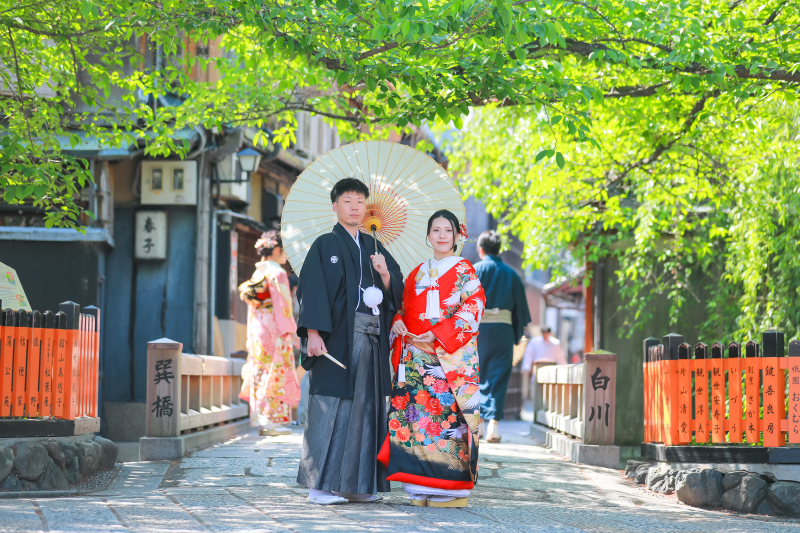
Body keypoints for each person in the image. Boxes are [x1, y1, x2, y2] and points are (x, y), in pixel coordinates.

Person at [295, 178, 404, 505]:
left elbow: (395, 291)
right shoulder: (325, 245)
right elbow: (311, 290)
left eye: (360, 201)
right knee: (331, 408)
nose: (355, 207)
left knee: (366, 410)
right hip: (338, 339)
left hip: (370, 340)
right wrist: (313, 333)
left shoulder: (375, 247)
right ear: (335, 206)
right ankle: (319, 486)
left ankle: (356, 485)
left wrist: (385, 275)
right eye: (347, 201)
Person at [379, 210, 486, 508]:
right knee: (416, 421)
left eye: (447, 231)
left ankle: (451, 489)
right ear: (427, 236)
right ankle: (419, 487)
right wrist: (397, 322)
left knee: (447, 419)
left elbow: (475, 305)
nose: (441, 236)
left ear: (456, 236)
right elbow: (401, 307)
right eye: (436, 230)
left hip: (446, 359)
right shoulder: (416, 272)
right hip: (414, 360)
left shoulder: (465, 270)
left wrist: (438, 335)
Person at [238, 231, 301, 436]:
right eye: (285, 251)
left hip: (258, 328)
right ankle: (271, 421)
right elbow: (283, 305)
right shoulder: (277, 272)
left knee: (260, 371)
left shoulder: (258, 273)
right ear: (276, 250)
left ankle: (262, 419)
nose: (286, 257)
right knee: (276, 372)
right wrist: (291, 332)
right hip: (275, 329)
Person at [473, 230, 531, 442]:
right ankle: (493, 428)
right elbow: (520, 312)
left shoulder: (473, 271)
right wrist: (516, 336)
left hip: (477, 331)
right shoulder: (512, 274)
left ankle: (478, 425)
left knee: (475, 375)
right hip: (504, 332)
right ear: (499, 249)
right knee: (499, 377)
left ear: (481, 250)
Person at [521, 326, 566, 396]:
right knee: (536, 390)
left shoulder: (555, 343)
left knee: (550, 390)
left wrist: (563, 367)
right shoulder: (534, 342)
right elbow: (528, 355)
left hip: (551, 369)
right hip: (537, 368)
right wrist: (526, 367)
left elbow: (560, 358)